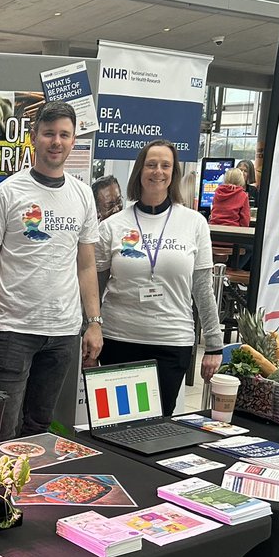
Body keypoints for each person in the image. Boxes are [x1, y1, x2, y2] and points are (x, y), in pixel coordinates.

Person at [0, 101, 103, 441]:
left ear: (73, 140)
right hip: (13, 329)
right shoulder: (7, 193)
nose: (56, 142)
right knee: (2, 429)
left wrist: (94, 322)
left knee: (39, 429)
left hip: (63, 332)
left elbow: (86, 264)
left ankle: (29, 492)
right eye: (49, 134)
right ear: (34, 137)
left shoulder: (82, 195)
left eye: (64, 134)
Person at [95, 139, 224, 415]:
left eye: (166, 165)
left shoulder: (194, 223)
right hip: (118, 339)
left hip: (171, 342)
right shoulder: (112, 226)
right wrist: (89, 329)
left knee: (155, 428)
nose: (158, 171)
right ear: (140, 171)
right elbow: (95, 286)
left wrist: (213, 345)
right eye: (151, 164)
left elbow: (203, 289)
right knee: (115, 426)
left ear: (173, 174)